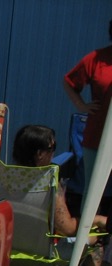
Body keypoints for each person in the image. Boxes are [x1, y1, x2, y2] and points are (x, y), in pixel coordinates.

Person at [12, 124, 109, 266]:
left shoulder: (6, 175)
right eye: (52, 148)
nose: (53, 153)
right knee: (97, 236)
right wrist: (96, 219)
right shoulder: (49, 181)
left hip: (14, 249)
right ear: (40, 154)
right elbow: (68, 229)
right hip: (45, 252)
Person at [63, 21, 112, 196]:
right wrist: (81, 105)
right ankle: (89, 223)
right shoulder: (96, 58)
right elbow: (69, 82)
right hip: (97, 137)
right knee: (93, 192)